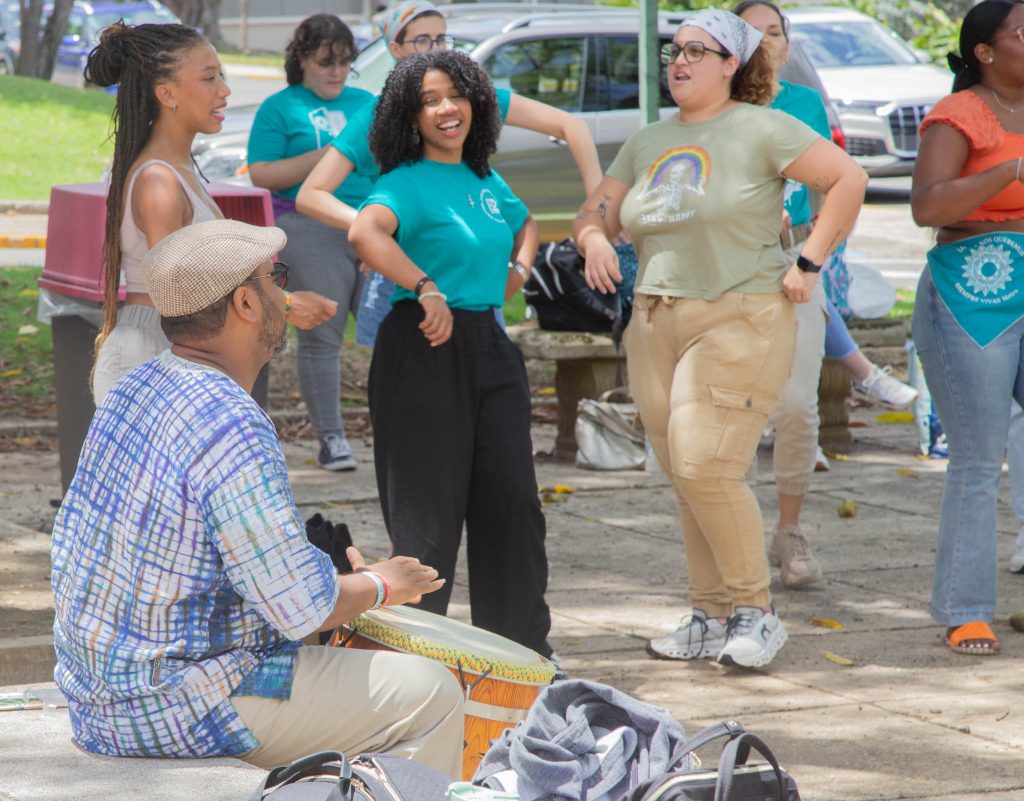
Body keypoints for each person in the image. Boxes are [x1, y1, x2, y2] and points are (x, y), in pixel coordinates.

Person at [51, 219, 465, 775]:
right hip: (174, 704)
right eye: (277, 280)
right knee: (432, 692)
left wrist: (336, 580)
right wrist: (383, 584)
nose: (284, 294)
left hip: (100, 692)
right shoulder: (229, 422)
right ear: (246, 302)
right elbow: (299, 608)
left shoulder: (136, 385)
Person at [573, 9, 866, 668]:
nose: (679, 61)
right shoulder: (648, 139)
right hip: (653, 319)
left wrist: (810, 260)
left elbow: (847, 178)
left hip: (739, 313)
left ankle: (755, 612)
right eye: (674, 51)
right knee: (686, 474)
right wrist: (594, 235)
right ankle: (707, 615)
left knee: (708, 464)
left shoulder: (762, 125)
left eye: (697, 51)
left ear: (732, 64)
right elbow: (595, 208)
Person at [348, 49, 552, 657]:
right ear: (411, 117)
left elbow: (526, 223)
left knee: (513, 508)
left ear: (476, 104)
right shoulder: (403, 182)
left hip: (490, 345)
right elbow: (365, 232)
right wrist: (424, 285)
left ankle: (521, 658)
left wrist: (517, 269)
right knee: (427, 521)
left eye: (456, 96)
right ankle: (418, 659)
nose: (446, 109)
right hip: (423, 345)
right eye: (430, 100)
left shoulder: (486, 179)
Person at [297, 0, 602, 348]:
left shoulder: (471, 96)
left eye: (443, 38)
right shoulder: (376, 114)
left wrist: (594, 219)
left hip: (474, 280)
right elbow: (312, 194)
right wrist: (381, 229)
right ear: (395, 49)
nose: (436, 48)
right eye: (422, 40)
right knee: (410, 384)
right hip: (407, 283)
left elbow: (572, 126)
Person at [86, 21, 335, 406]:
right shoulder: (159, 181)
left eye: (222, 75)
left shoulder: (178, 170)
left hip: (173, 351)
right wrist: (284, 304)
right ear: (166, 93)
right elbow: (182, 293)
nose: (225, 90)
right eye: (208, 78)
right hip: (152, 351)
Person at [910, 0, 1024, 656]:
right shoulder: (961, 115)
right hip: (973, 292)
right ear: (985, 50)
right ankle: (967, 608)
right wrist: (1007, 172)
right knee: (981, 457)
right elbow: (928, 204)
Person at [248, 14, 375, 472]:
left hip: (373, 226)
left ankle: (403, 428)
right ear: (302, 59)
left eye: (344, 63)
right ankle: (333, 439)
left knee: (396, 330)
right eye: (326, 62)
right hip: (306, 226)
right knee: (323, 334)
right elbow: (262, 174)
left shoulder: (369, 102)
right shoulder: (280, 107)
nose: (336, 72)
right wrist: (329, 155)